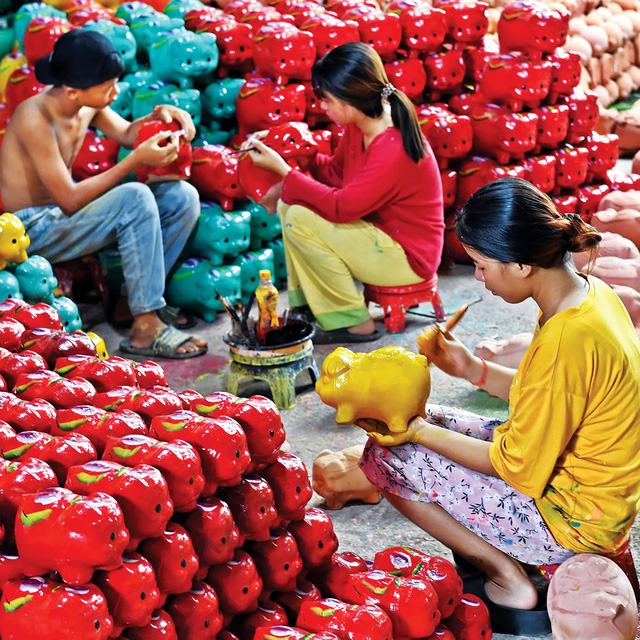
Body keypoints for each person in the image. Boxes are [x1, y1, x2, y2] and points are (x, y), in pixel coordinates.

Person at [358, 178, 640, 630]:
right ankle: (506, 557)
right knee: (438, 419)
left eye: (482, 265)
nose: (477, 278)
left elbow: (518, 467)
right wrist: (470, 368)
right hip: (595, 494)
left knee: (385, 455)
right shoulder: (588, 295)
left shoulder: (568, 338)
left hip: (570, 521)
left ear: (522, 265)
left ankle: (508, 575)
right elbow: (551, 401)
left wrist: (417, 432)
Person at [0, 29, 207, 359]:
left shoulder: (86, 105)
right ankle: (146, 327)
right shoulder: (34, 118)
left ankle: (131, 303)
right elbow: (68, 199)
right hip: (30, 229)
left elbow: (126, 132)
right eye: (107, 88)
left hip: (65, 216)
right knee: (135, 196)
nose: (115, 93)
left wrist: (161, 117)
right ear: (72, 91)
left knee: (181, 196)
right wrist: (137, 161)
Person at [243, 42, 444, 344]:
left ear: (348, 102)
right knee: (291, 206)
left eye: (326, 100)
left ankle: (352, 322)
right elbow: (336, 176)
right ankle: (307, 306)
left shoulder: (391, 146)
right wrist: (294, 150)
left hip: (406, 257)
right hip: (379, 236)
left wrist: (285, 171)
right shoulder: (360, 124)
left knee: (298, 215)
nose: (322, 107)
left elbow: (341, 207)